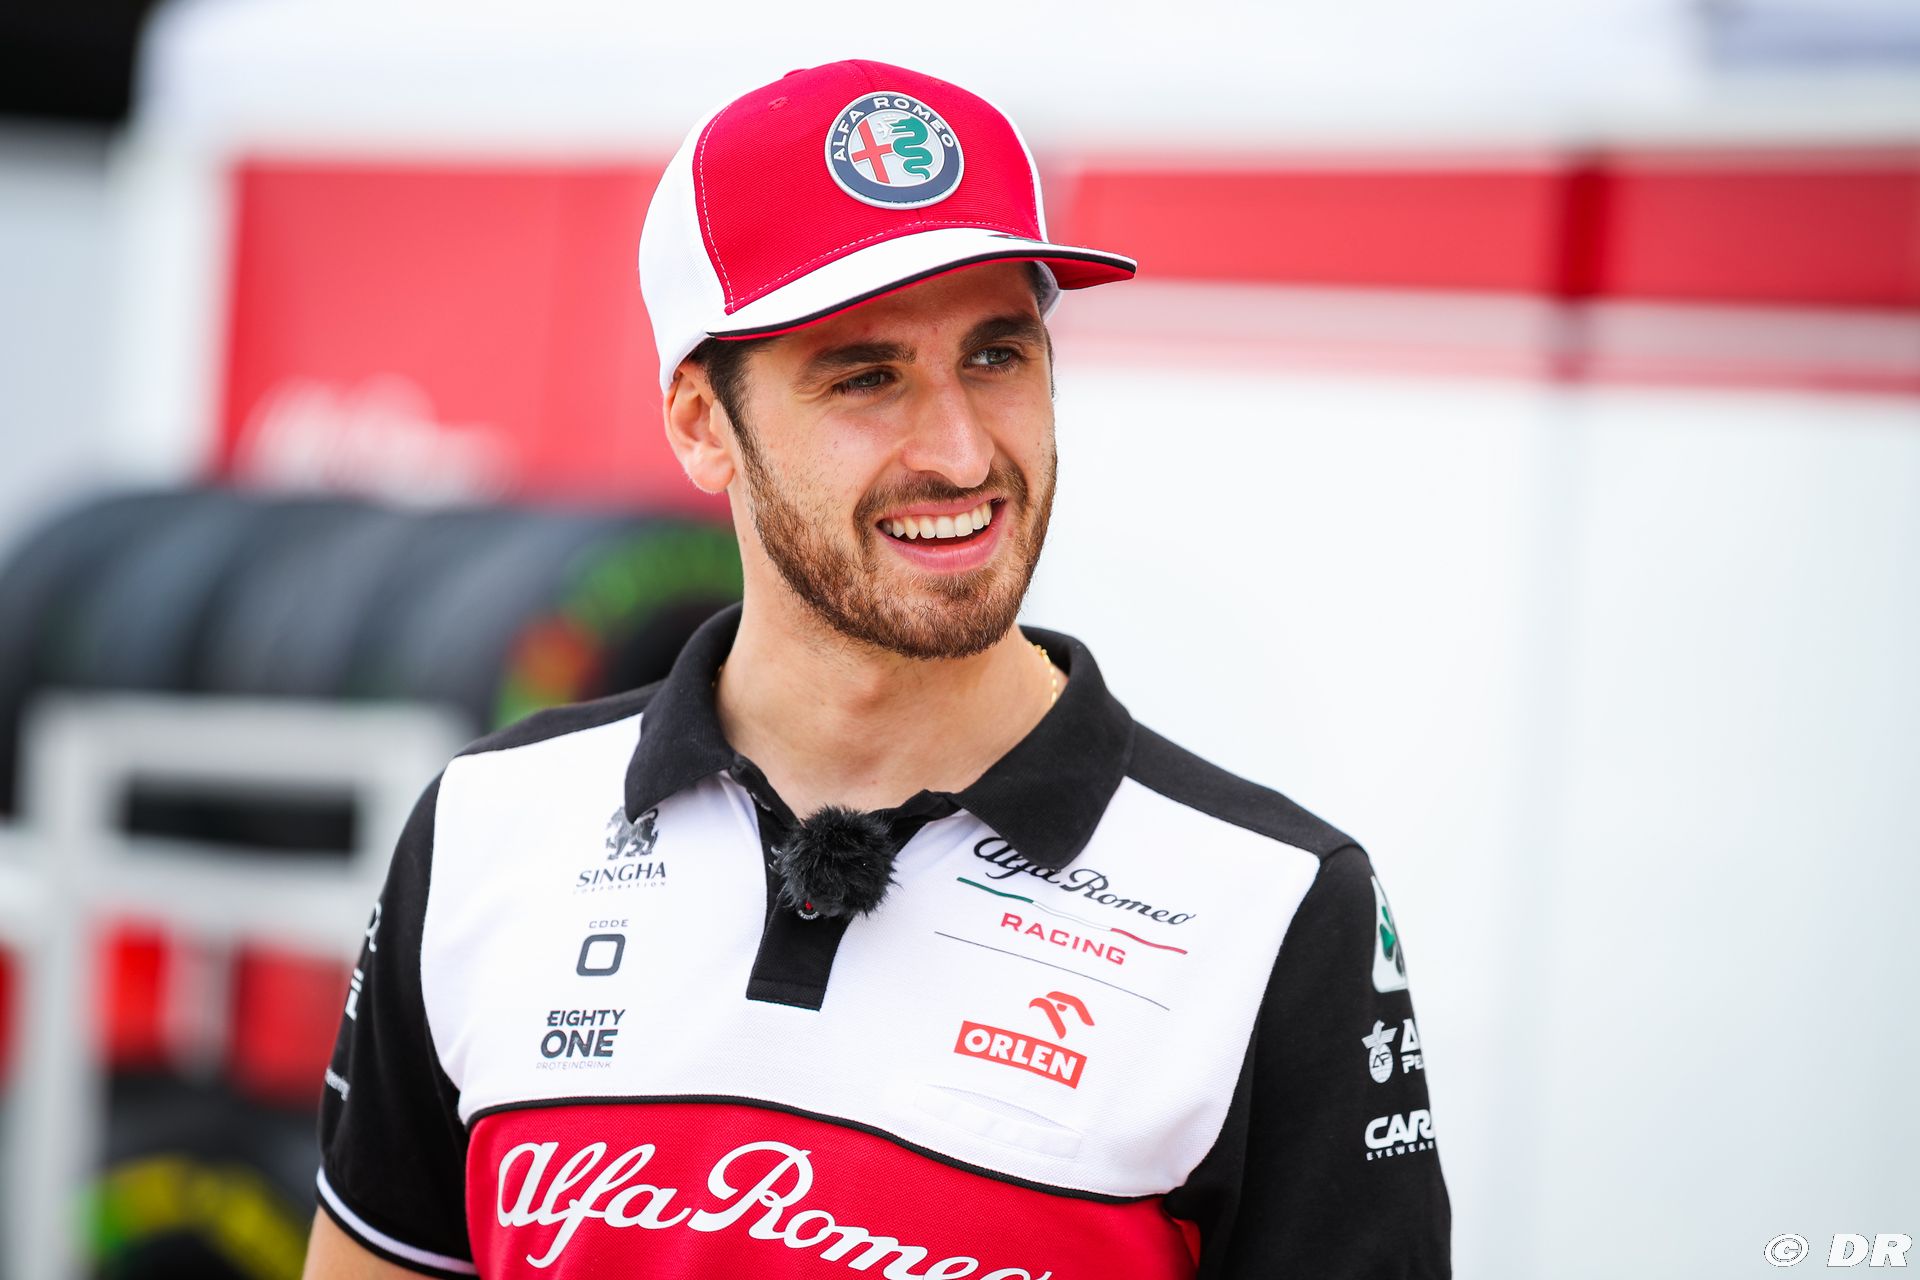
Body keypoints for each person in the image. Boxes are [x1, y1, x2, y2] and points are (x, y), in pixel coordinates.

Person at [301, 58, 1451, 1280]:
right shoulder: (486, 826)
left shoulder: (1273, 908)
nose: (960, 453)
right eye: (867, 376)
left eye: (998, 356)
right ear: (700, 422)